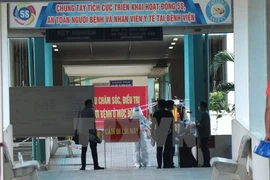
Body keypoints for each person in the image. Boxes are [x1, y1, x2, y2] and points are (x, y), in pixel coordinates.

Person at [80, 99, 104, 170]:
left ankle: (83, 166)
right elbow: (93, 122)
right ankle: (96, 165)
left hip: (83, 132)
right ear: (89, 104)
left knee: (83, 150)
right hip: (91, 133)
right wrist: (95, 132)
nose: (92, 104)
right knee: (93, 149)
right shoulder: (91, 110)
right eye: (92, 103)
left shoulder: (82, 111)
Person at [151, 99, 174, 168]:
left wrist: (152, 134)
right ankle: (166, 164)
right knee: (167, 149)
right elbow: (172, 124)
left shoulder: (156, 113)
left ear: (160, 105)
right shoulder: (169, 113)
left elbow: (153, 125)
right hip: (168, 133)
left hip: (159, 133)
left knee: (159, 149)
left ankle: (159, 165)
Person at [196, 101, 211, 167]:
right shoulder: (206, 113)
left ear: (203, 106)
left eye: (200, 106)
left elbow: (203, 125)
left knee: (205, 149)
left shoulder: (204, 114)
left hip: (204, 134)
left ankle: (206, 163)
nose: (199, 107)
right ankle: (206, 162)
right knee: (205, 149)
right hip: (205, 134)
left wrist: (197, 125)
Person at [166, 100, 176, 168]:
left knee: (170, 148)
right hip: (170, 133)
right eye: (172, 105)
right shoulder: (169, 113)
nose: (173, 106)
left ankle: (169, 162)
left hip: (169, 133)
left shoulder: (169, 113)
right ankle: (169, 162)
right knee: (171, 148)